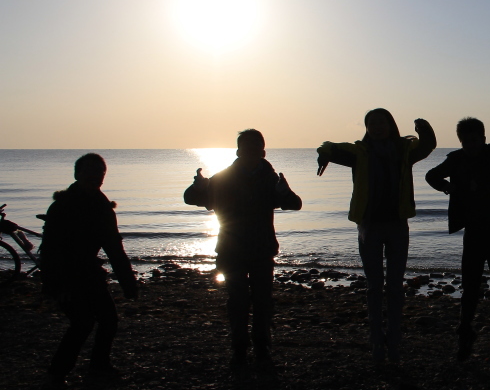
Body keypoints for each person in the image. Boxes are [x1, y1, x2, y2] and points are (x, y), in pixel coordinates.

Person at [316, 109, 436, 364]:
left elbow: (427, 146)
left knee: (394, 285)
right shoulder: (359, 152)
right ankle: (376, 342)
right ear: (367, 127)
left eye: (381, 122)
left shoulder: (404, 151)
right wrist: (323, 154)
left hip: (397, 224)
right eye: (372, 123)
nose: (377, 126)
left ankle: (394, 342)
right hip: (368, 225)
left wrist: (423, 128)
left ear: (390, 125)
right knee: (373, 286)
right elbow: (330, 146)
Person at [184, 129, 302, 365]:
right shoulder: (222, 179)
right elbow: (190, 198)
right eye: (246, 148)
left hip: (262, 250)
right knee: (237, 300)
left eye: (255, 148)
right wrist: (198, 187)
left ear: (262, 151)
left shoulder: (271, 179)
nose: (250, 152)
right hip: (230, 251)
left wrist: (285, 192)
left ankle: (261, 346)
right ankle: (239, 346)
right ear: (238, 151)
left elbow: (295, 204)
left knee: (262, 301)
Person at [425, 117, 490, 368]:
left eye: (475, 140)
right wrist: (449, 187)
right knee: (470, 289)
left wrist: (489, 160)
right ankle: (465, 338)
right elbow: (431, 175)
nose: (470, 145)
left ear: (483, 138)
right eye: (465, 141)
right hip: (474, 232)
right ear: (460, 141)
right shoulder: (456, 159)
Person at [40, 153, 138, 386]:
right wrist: (57, 286)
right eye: (91, 172)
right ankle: (57, 373)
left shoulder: (103, 208)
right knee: (82, 322)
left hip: (89, 273)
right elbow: (50, 251)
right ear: (77, 174)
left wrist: (128, 283)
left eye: (100, 173)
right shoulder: (61, 206)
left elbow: (114, 248)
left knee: (109, 320)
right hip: (65, 275)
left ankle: (99, 364)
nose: (96, 177)